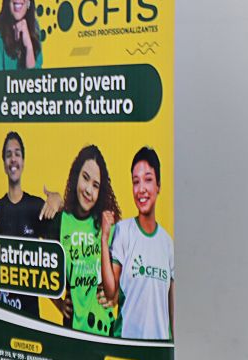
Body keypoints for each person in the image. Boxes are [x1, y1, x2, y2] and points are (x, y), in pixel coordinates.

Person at [44, 145, 121, 334]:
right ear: (76, 176)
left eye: (95, 185)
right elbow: (41, 269)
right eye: (85, 178)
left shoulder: (107, 225)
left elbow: (126, 275)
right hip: (72, 330)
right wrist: (58, 302)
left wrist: (115, 296)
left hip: (105, 331)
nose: (88, 190)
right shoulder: (60, 222)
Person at [100, 147, 174, 340]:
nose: (141, 189)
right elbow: (110, 292)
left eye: (148, 180)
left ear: (158, 185)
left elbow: (172, 311)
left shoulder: (168, 244)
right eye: (136, 181)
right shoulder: (123, 232)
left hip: (159, 349)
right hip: (127, 346)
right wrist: (104, 239)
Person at [0, 131, 47, 317]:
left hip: (32, 318)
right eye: (8, 155)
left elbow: (63, 235)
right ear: (4, 164)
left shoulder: (36, 206)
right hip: (3, 313)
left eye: (17, 154)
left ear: (23, 161)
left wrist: (59, 201)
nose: (13, 159)